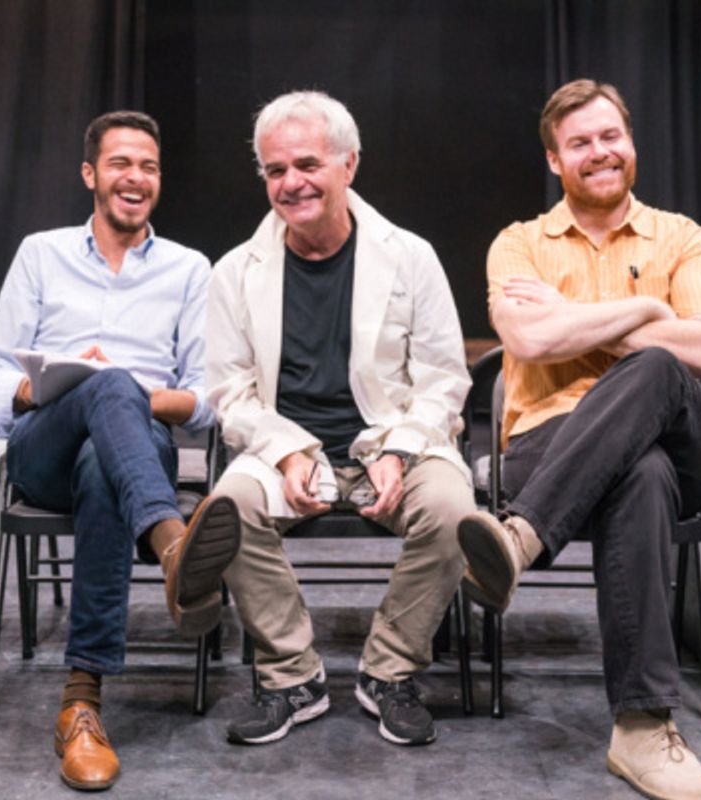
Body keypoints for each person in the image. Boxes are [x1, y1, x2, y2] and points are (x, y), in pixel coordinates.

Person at [457, 79, 701, 800]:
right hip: (552, 444)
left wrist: (592, 315)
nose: (599, 152)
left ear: (631, 143)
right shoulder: (519, 242)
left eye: (611, 136)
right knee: (635, 473)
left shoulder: (681, 236)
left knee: (663, 368)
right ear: (555, 160)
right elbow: (527, 335)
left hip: (683, 446)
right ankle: (642, 732)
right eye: (579, 143)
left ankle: (518, 542)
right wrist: (648, 309)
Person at [0, 110, 240, 791]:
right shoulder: (41, 253)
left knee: (107, 450)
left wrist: (120, 394)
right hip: (44, 447)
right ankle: (171, 542)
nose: (136, 177)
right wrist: (62, 385)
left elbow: (205, 395)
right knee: (102, 398)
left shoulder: (188, 269)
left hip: (129, 449)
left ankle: (81, 705)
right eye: (122, 163)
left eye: (149, 166)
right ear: (91, 174)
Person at [206, 90, 475, 747]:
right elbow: (230, 393)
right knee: (227, 507)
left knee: (453, 514)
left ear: (348, 165)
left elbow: (445, 380)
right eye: (275, 171)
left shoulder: (411, 257)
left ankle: (388, 672)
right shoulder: (235, 272)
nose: (291, 183)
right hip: (289, 450)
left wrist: (402, 450)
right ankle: (291, 676)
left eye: (307, 164)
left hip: (394, 442)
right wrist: (289, 450)